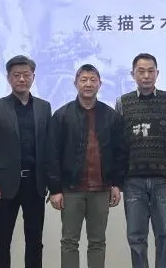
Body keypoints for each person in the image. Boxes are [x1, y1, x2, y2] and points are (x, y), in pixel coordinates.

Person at [45, 64, 127, 268]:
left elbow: (120, 153)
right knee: (69, 242)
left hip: (101, 189)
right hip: (71, 189)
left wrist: (117, 184)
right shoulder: (62, 115)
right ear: (75, 83)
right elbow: (52, 154)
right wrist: (55, 189)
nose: (88, 84)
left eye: (93, 80)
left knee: (97, 242)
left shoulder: (111, 116)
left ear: (100, 83)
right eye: (83, 80)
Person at [115, 53, 166, 268]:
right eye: (141, 71)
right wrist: (117, 179)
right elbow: (117, 142)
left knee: (164, 235)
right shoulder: (122, 102)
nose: (146, 76)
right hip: (133, 181)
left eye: (150, 71)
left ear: (157, 73)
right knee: (136, 237)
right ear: (133, 74)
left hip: (163, 179)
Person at [0, 55, 52, 268]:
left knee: (35, 239)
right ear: (9, 78)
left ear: (33, 77)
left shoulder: (44, 107)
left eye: (26, 75)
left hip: (35, 184)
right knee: (2, 239)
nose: (22, 79)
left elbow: (49, 147)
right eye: (16, 75)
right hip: (4, 185)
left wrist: (52, 182)